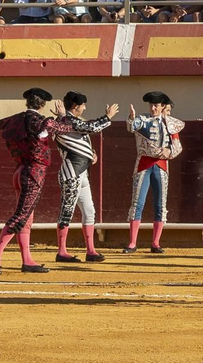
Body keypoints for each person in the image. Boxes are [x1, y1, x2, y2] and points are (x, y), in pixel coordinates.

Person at [0, 87, 62, 276]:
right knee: (21, 216)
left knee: (26, 217)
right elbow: (66, 128)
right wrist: (62, 116)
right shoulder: (41, 122)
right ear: (42, 105)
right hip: (33, 173)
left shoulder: (16, 120)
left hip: (20, 170)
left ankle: (27, 260)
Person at [53, 90, 120, 262]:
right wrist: (107, 116)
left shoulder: (69, 121)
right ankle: (61, 252)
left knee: (89, 211)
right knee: (67, 210)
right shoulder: (66, 121)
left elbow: (81, 136)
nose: (85, 108)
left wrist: (91, 153)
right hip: (71, 172)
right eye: (83, 105)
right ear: (76, 106)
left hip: (81, 172)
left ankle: (90, 251)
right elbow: (91, 127)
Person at [125, 91, 184, 253]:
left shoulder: (170, 123)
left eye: (156, 105)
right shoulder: (142, 119)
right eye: (151, 105)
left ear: (163, 106)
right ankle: (132, 243)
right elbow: (131, 127)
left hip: (161, 165)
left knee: (160, 204)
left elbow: (178, 146)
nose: (153, 108)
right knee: (137, 203)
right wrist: (131, 117)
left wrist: (169, 152)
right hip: (143, 164)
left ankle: (156, 243)